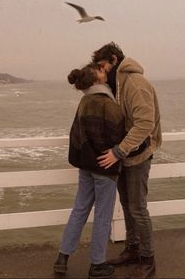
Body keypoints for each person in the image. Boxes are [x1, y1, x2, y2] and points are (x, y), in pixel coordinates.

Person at [92, 42, 162, 279]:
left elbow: (145, 123)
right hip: (126, 153)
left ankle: (148, 260)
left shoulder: (134, 83)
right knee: (127, 205)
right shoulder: (118, 84)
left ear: (113, 59)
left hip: (137, 154)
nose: (101, 71)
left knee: (138, 208)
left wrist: (118, 152)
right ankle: (132, 249)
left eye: (102, 66)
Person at [53, 62, 125, 279]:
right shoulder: (106, 103)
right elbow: (118, 135)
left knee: (79, 210)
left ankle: (62, 258)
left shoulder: (84, 101)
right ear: (96, 79)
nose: (106, 72)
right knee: (103, 216)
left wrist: (86, 158)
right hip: (105, 167)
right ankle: (97, 264)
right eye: (102, 71)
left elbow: (76, 135)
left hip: (86, 166)